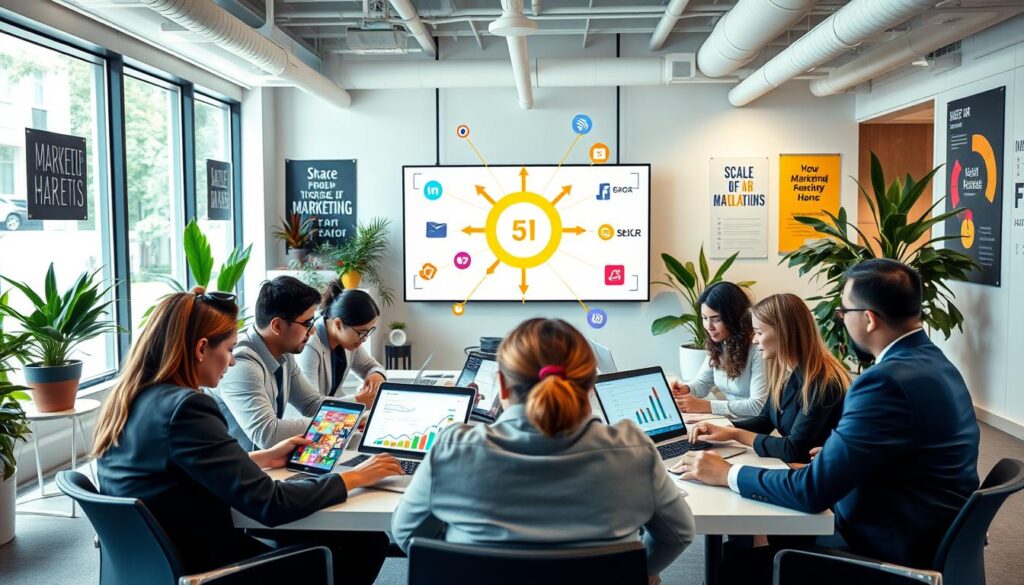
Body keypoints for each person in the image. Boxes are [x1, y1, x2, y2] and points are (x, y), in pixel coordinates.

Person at [676, 259, 980, 582]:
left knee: (735, 570)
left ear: (869, 319)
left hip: (885, 552)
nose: (841, 321)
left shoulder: (883, 382)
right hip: (920, 531)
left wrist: (727, 474)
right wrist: (839, 456)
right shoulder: (937, 364)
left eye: (843, 313)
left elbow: (812, 492)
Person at [93, 288, 402, 585]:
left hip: (161, 561)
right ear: (201, 349)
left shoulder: (133, 399)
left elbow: (173, 471)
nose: (231, 360)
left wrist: (261, 458)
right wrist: (356, 477)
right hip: (209, 568)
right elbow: (271, 504)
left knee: (348, 540)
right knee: (364, 545)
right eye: (228, 349)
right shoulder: (187, 408)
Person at [392, 318, 695, 583]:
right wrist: (637, 572)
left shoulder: (452, 449)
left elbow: (407, 534)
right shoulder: (633, 450)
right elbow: (677, 535)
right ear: (590, 385)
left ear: (502, 385)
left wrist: (460, 558)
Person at [687, 293, 849, 464]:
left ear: (784, 333)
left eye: (758, 332)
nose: (754, 340)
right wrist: (724, 429)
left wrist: (735, 434)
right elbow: (764, 421)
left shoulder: (822, 383)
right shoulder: (786, 371)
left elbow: (793, 449)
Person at [210, 276, 326, 450]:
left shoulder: (285, 353)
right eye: (307, 323)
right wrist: (337, 423)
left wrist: (360, 416)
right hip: (238, 472)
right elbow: (268, 434)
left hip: (264, 466)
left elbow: (311, 404)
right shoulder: (242, 363)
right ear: (277, 326)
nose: (313, 330)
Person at [670, 281, 768, 418]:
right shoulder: (720, 342)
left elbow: (758, 406)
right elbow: (703, 383)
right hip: (732, 421)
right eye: (705, 318)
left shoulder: (759, 348)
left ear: (734, 317)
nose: (709, 326)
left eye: (716, 319)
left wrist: (707, 406)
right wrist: (685, 389)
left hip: (756, 427)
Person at [297, 282, 387, 405]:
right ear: (338, 324)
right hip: (307, 420)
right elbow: (310, 404)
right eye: (362, 332)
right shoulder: (310, 345)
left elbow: (371, 366)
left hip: (332, 416)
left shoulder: (351, 341)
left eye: (369, 331)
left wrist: (377, 375)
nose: (364, 338)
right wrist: (357, 400)